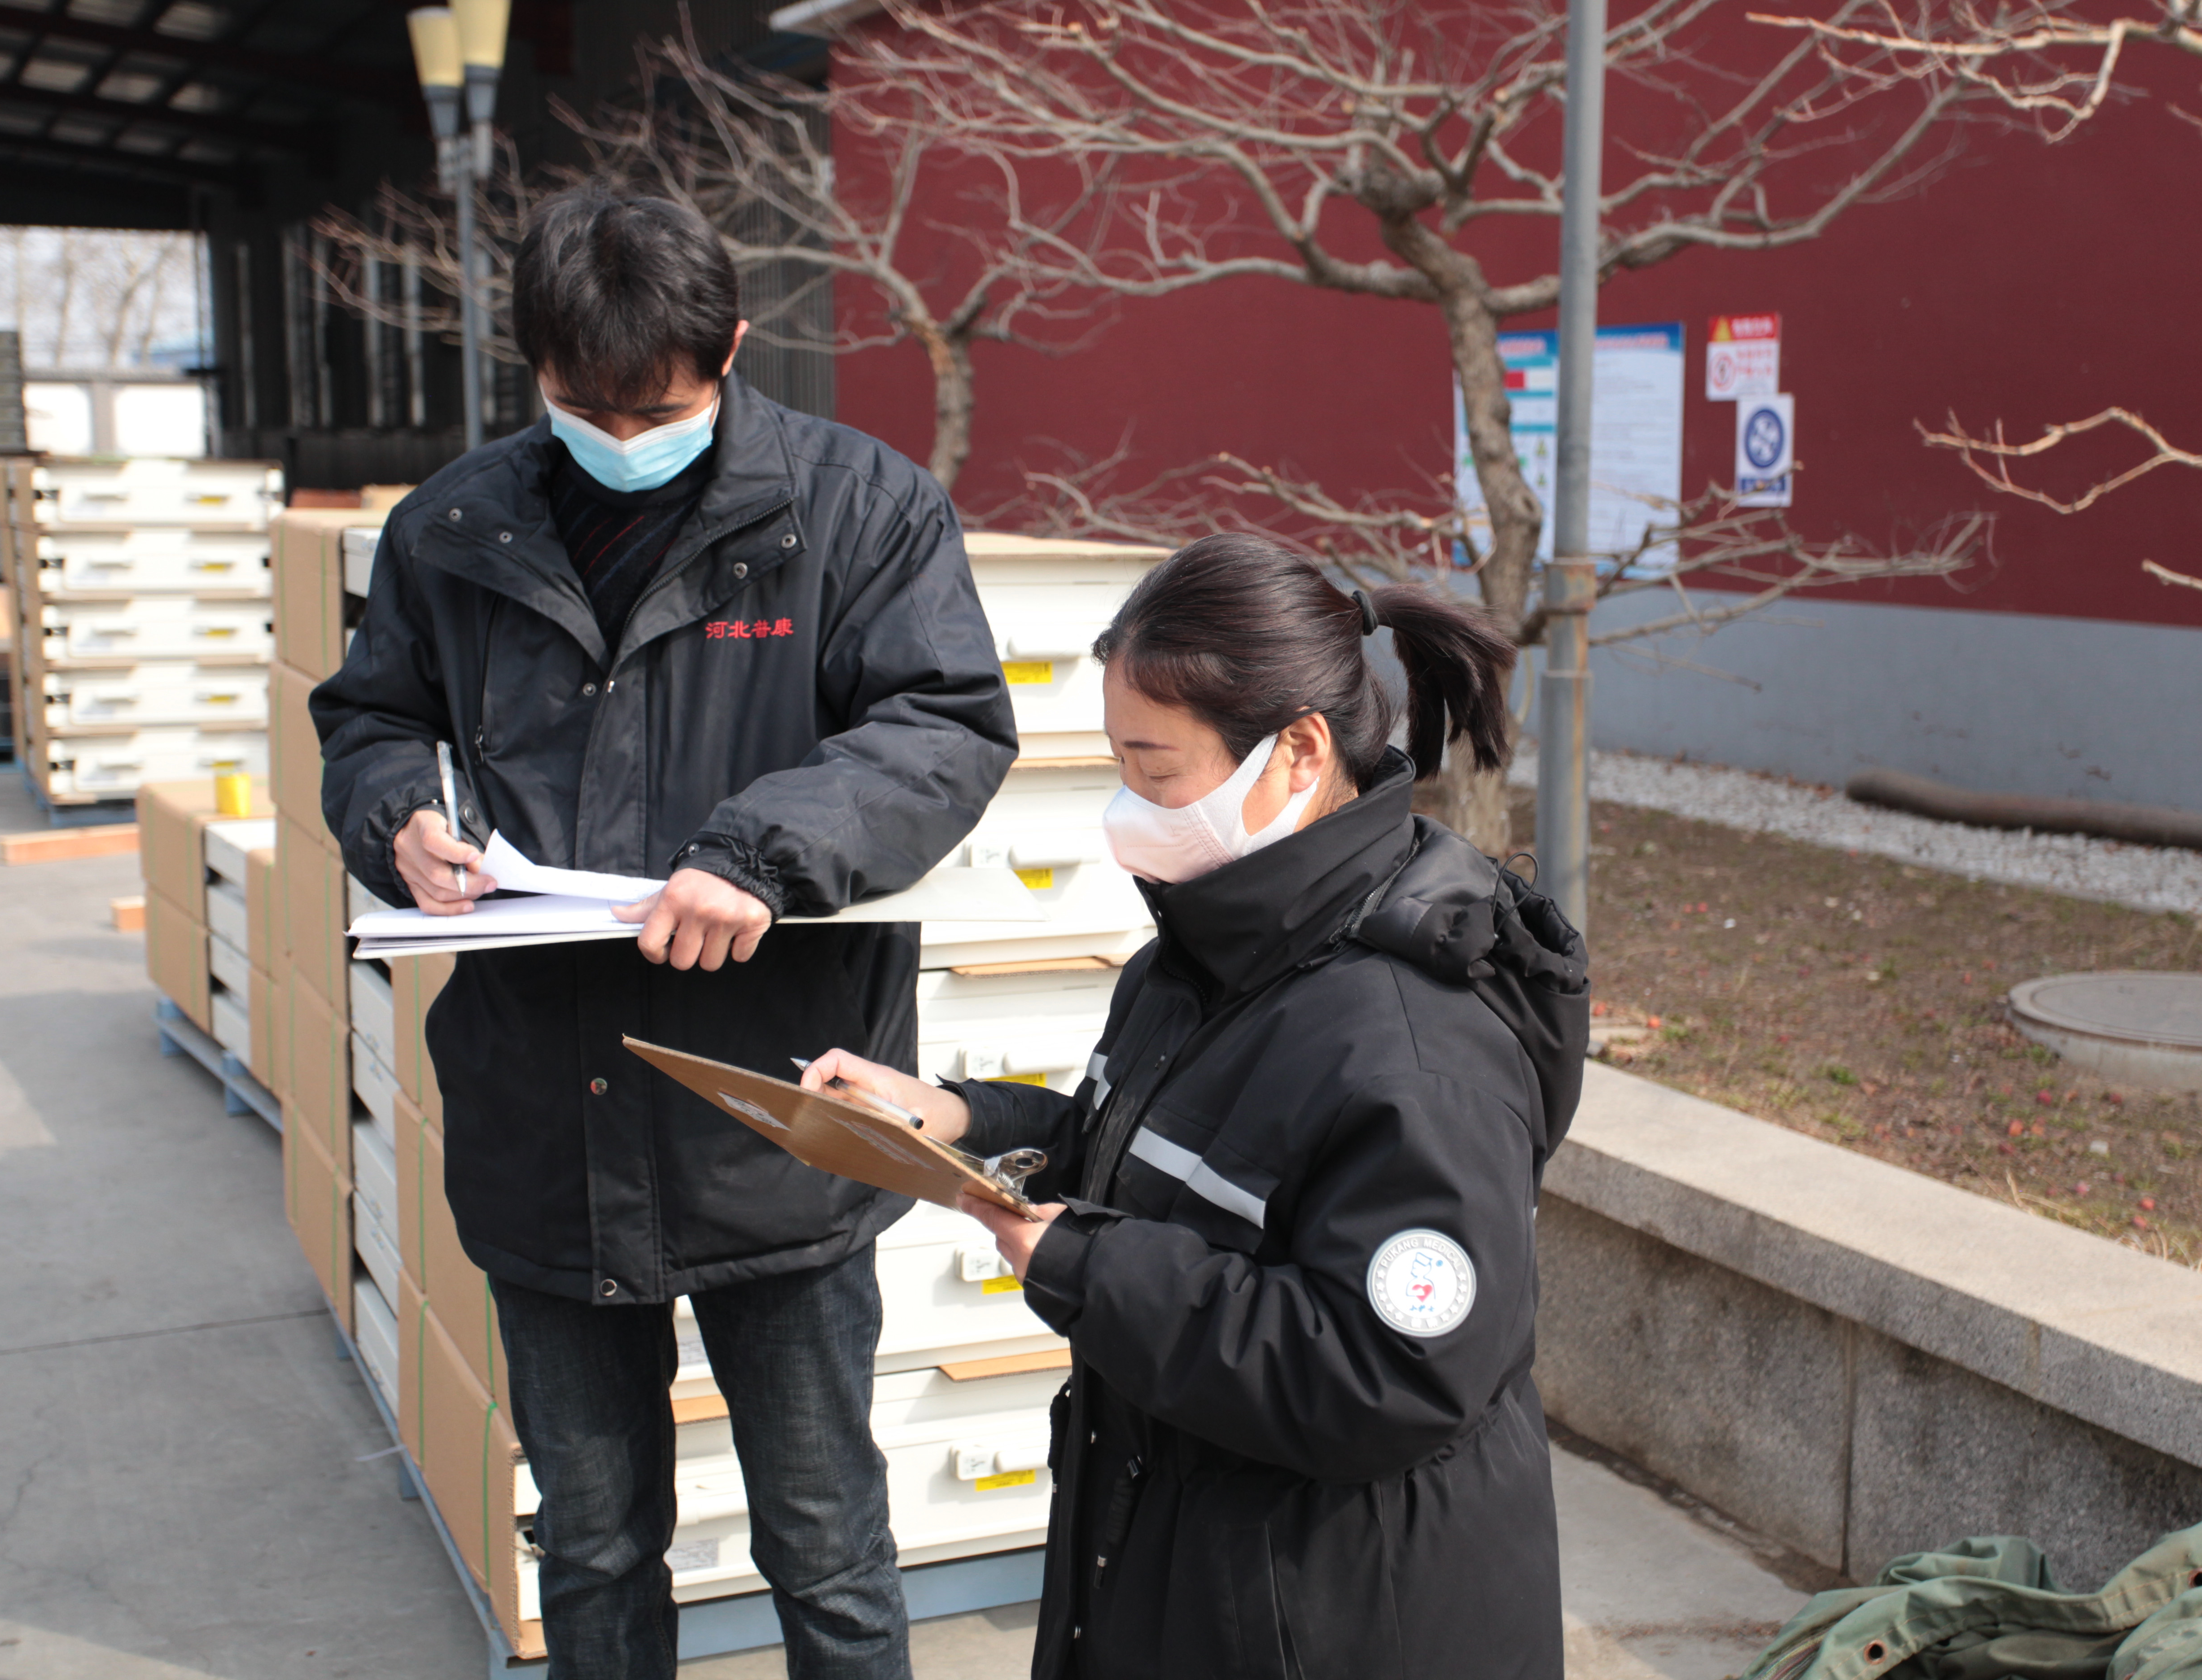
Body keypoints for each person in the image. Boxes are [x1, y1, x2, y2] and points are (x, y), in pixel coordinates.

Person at [311, 182, 1016, 1680]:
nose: (624, 435)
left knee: (824, 1543)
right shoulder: (451, 527)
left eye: (662, 408)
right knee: (592, 1538)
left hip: (780, 1111)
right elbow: (370, 718)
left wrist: (763, 853)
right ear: (535, 367)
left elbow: (944, 726)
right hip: (542, 1114)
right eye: (588, 408)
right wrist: (397, 816)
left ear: (734, 347)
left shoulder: (861, 508)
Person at [802, 533, 1589, 1680]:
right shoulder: (1207, 953)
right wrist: (962, 1119)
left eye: (1157, 771)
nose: (1130, 807)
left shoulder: (1416, 1046)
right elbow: (1160, 1163)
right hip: (1184, 1560)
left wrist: (1083, 1266)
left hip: (1337, 1615)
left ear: (1299, 752)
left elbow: (1391, 1375)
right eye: (1120, 765)